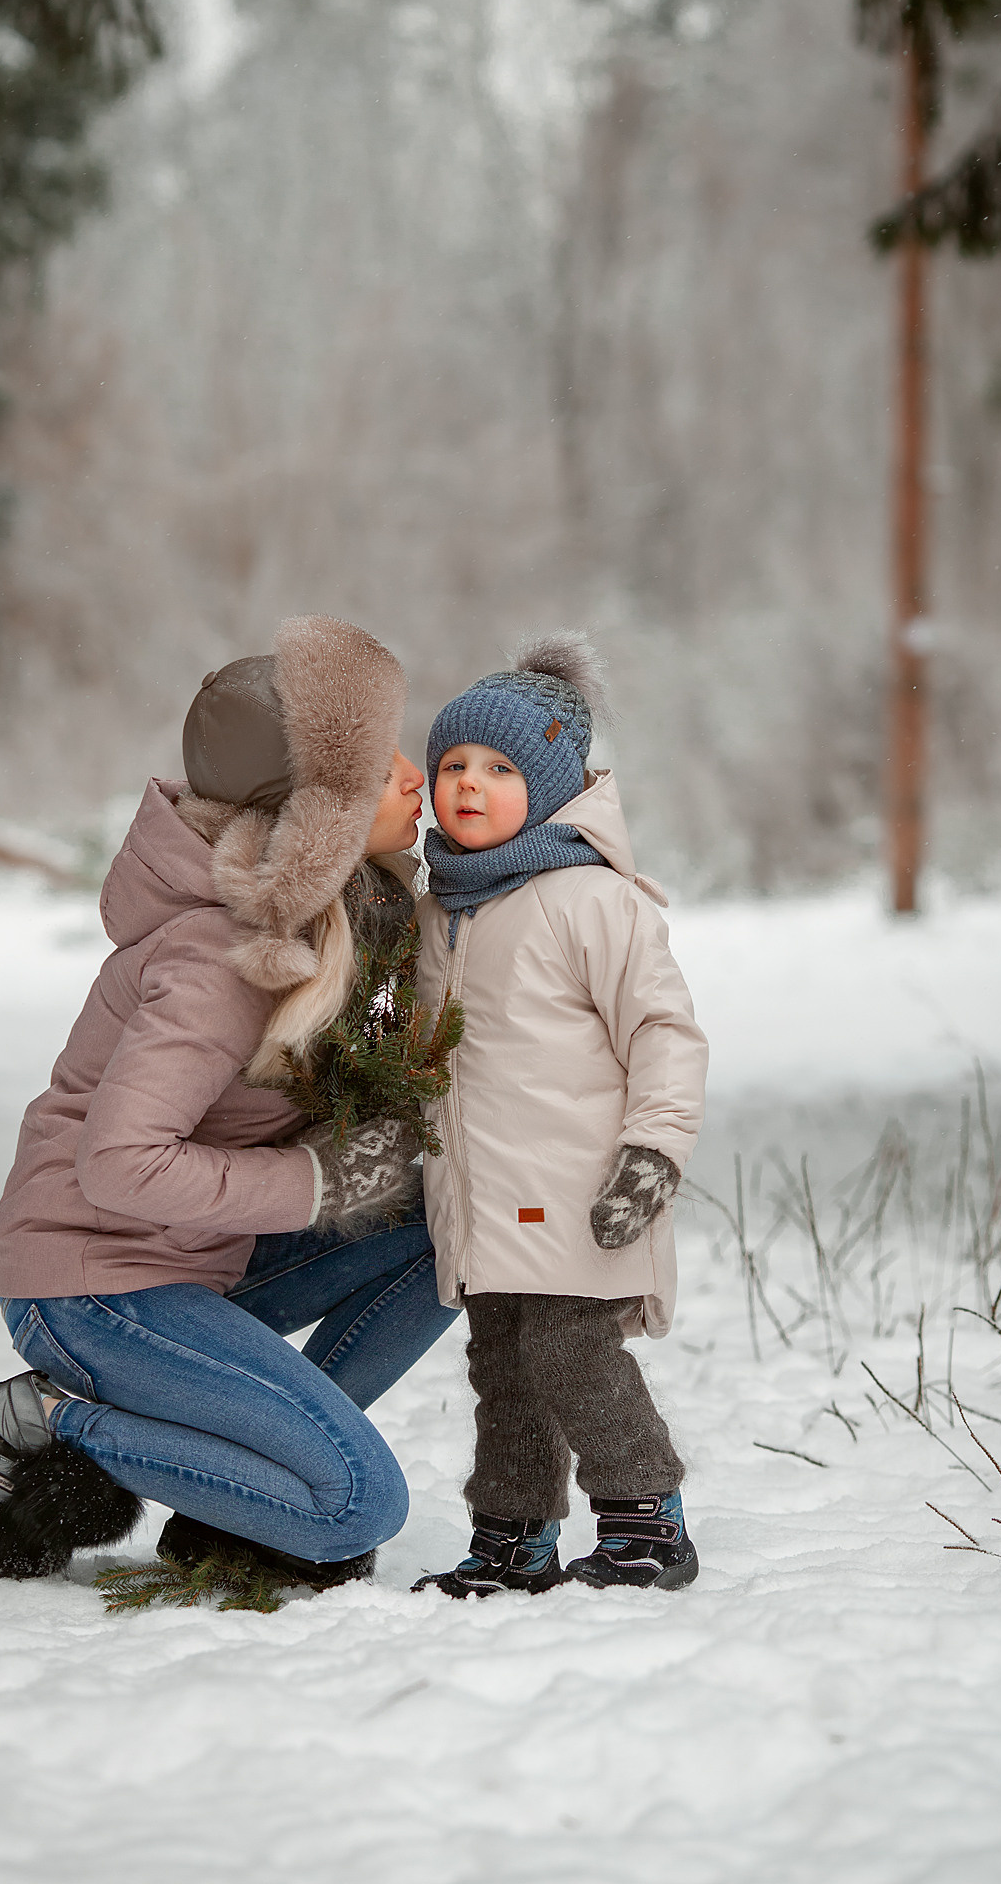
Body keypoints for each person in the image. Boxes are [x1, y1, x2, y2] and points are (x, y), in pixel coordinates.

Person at [0, 615, 454, 1586]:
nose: (415, 775)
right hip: (93, 1282)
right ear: (314, 817)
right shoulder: (218, 958)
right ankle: (35, 1419)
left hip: (199, 1260)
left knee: (443, 1226)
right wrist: (316, 1183)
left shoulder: (346, 921)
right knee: (352, 1507)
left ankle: (244, 1491)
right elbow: (118, 1165)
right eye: (379, 769)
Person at [409, 633, 709, 1597]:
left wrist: (653, 1152)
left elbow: (664, 1030)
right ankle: (513, 1535)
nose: (468, 784)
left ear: (550, 786)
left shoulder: (591, 900)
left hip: (581, 1191)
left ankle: (643, 1522)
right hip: (485, 1199)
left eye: (499, 768)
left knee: (573, 1354)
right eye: (452, 764)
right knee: (502, 1371)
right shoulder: (441, 906)